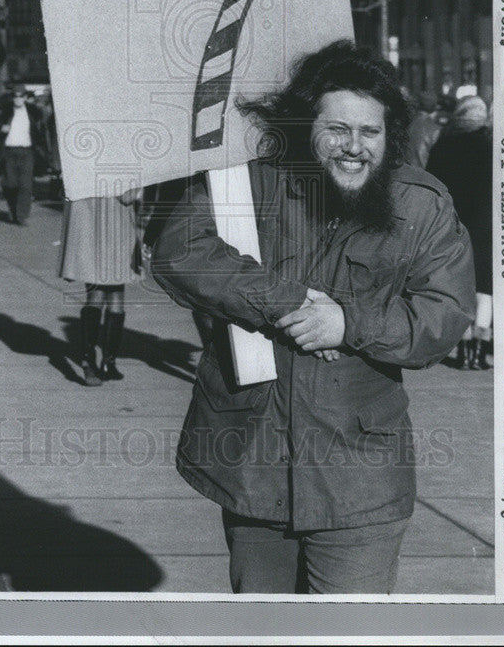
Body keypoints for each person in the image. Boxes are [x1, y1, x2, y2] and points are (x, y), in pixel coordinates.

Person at [152, 39, 476, 594]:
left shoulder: (422, 204)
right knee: (264, 633)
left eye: (369, 132)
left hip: (360, 478)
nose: (353, 147)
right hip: (253, 463)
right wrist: (289, 303)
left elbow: (443, 316)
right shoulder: (248, 180)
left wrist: (349, 324)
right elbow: (179, 250)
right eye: (336, 130)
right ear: (307, 127)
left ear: (389, 136)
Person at [427, 95, 493, 370]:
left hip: (453, 223)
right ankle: (479, 349)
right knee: (484, 289)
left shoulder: (445, 144)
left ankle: (463, 348)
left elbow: (431, 183)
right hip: (485, 225)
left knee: (459, 284)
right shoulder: (491, 146)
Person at [59, 193, 140, 384]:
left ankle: (91, 360)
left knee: (97, 293)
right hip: (116, 228)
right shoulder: (121, 163)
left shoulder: (81, 165)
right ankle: (107, 361)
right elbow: (129, 196)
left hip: (91, 228)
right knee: (115, 295)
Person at [0, 82, 45, 226]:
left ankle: (21, 216)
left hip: (27, 152)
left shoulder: (33, 112)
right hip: (9, 151)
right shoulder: (5, 111)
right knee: (11, 184)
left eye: (21, 96)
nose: (18, 99)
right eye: (15, 96)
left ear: (25, 97)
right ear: (12, 98)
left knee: (26, 185)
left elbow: (39, 131)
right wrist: (1, 128)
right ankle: (13, 208)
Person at [404, 91, 441, 168]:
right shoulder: (435, 129)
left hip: (404, 172)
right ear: (434, 106)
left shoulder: (406, 123)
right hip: (423, 174)